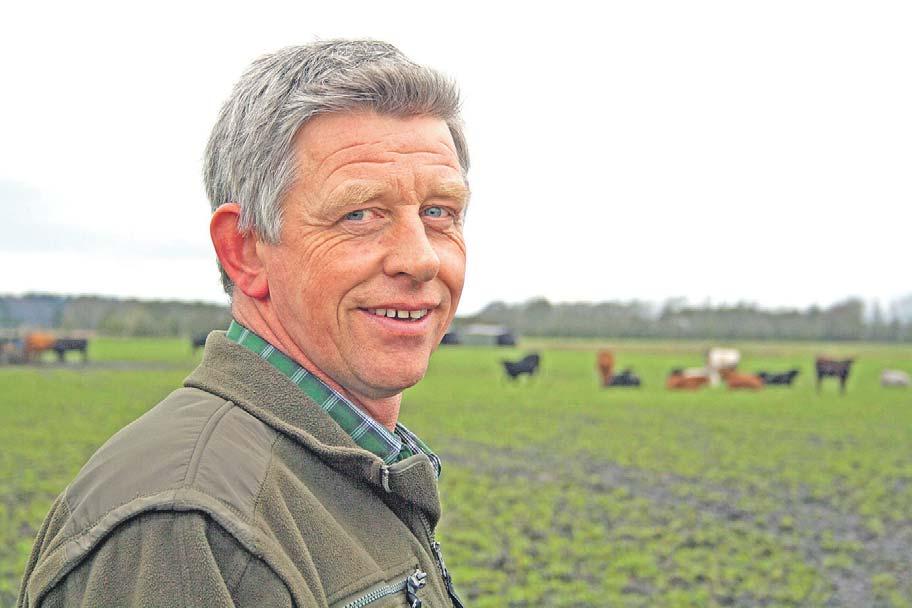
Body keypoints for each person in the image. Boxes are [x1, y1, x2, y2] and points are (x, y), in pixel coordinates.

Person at [18, 40, 469, 608]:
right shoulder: (183, 531)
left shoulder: (347, 461)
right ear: (246, 251)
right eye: (360, 214)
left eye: (439, 212)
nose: (421, 258)